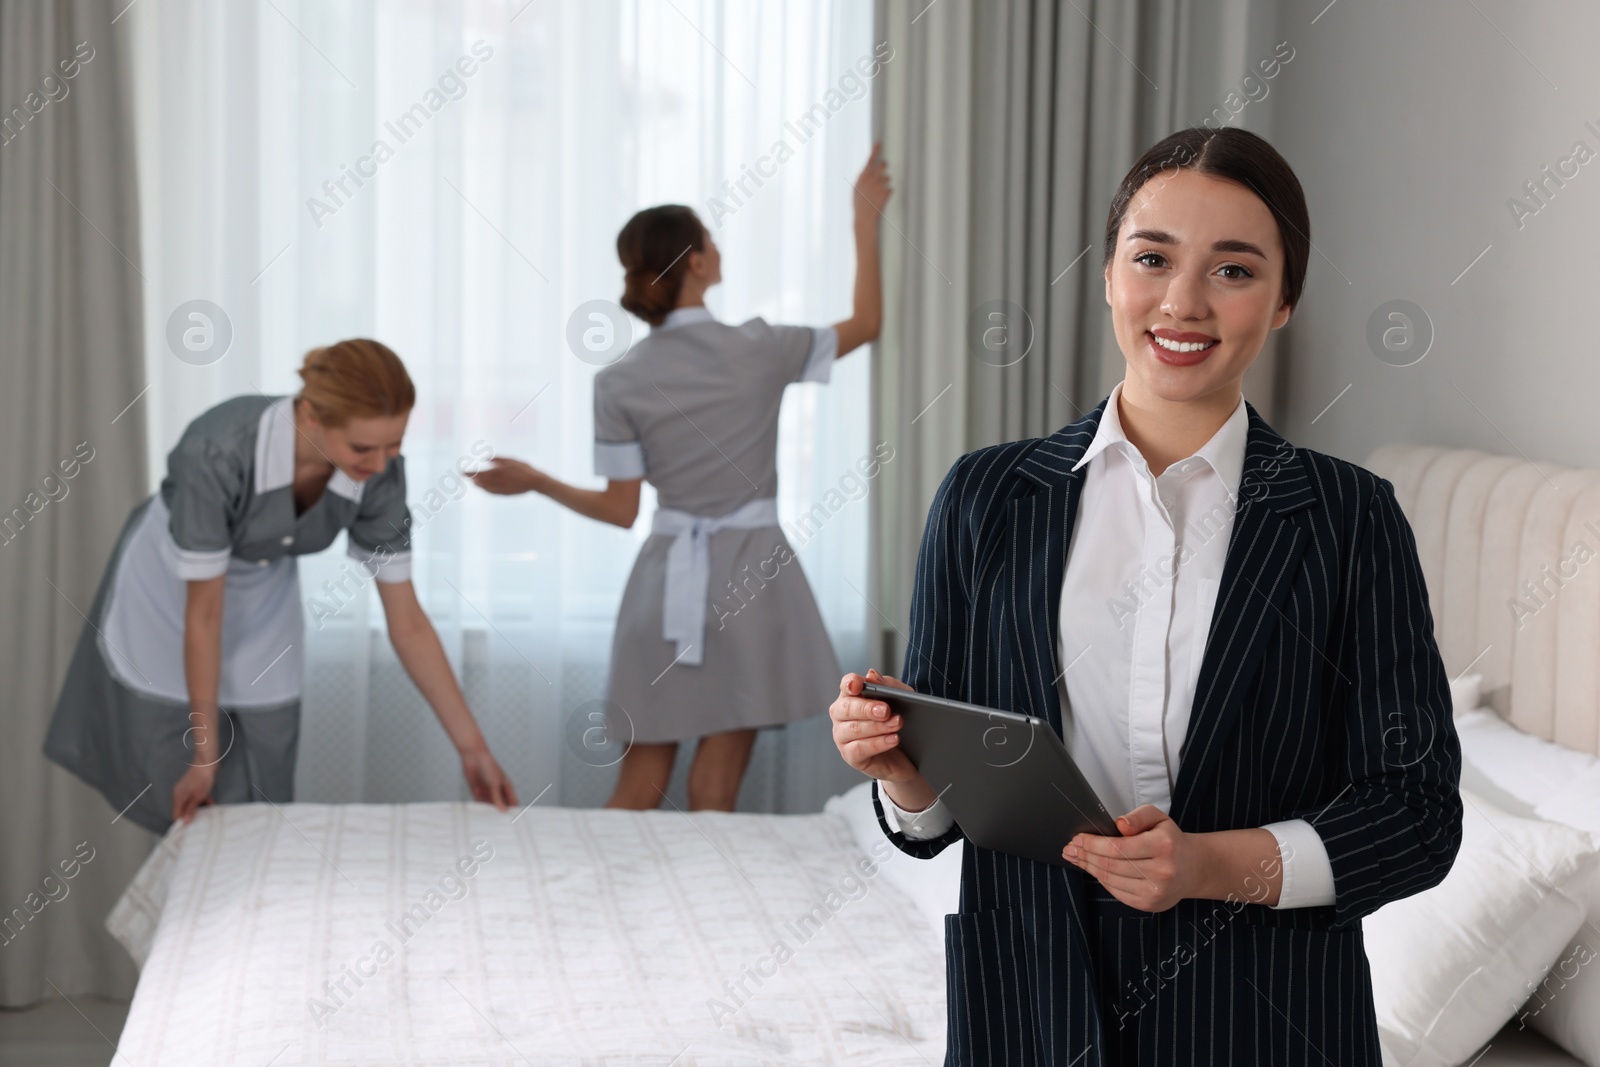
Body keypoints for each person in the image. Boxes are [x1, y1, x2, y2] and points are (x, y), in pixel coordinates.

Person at [830, 127, 1461, 1064]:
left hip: (1262, 1021)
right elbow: (939, 811)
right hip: (1027, 1007)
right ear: (1109, 273)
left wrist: (1202, 865)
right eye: (1152, 257)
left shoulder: (1350, 520)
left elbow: (1417, 816)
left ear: (1285, 299)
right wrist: (900, 771)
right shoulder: (987, 497)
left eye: (1234, 270)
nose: (1182, 301)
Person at [472, 147, 892, 811]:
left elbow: (619, 510)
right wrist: (863, 217)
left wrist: (536, 480)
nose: (719, 247)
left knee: (636, 787)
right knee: (715, 791)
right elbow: (867, 323)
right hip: (753, 584)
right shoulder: (760, 347)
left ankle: (581, 906)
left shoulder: (619, 380)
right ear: (695, 261)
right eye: (711, 238)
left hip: (663, 591)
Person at [45, 339, 518, 834]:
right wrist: (205, 758)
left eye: (394, 444)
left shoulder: (378, 472)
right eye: (363, 448)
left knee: (258, 787)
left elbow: (409, 623)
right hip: (171, 598)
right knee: (181, 788)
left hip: (264, 588)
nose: (381, 464)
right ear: (311, 416)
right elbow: (203, 615)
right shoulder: (217, 449)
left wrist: (473, 749)